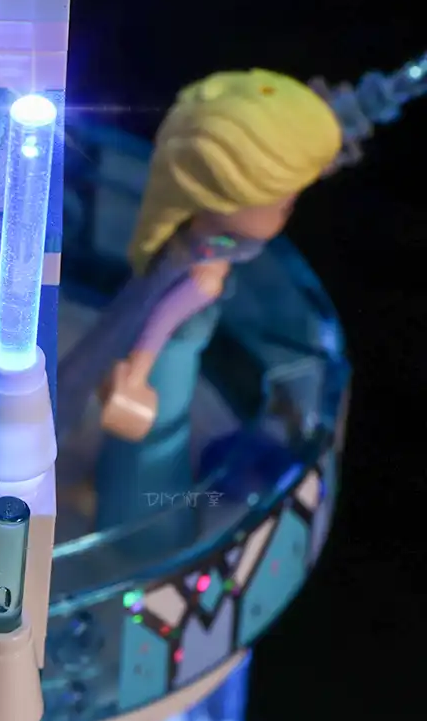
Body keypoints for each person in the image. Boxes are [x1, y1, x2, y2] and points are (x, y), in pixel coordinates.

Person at [93, 69, 342, 544]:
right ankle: (137, 529)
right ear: (222, 196)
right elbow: (160, 322)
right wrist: (137, 374)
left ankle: (115, 498)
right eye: (282, 203)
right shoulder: (203, 274)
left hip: (167, 360)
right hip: (161, 371)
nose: (286, 209)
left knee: (145, 449)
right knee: (150, 454)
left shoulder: (189, 245)